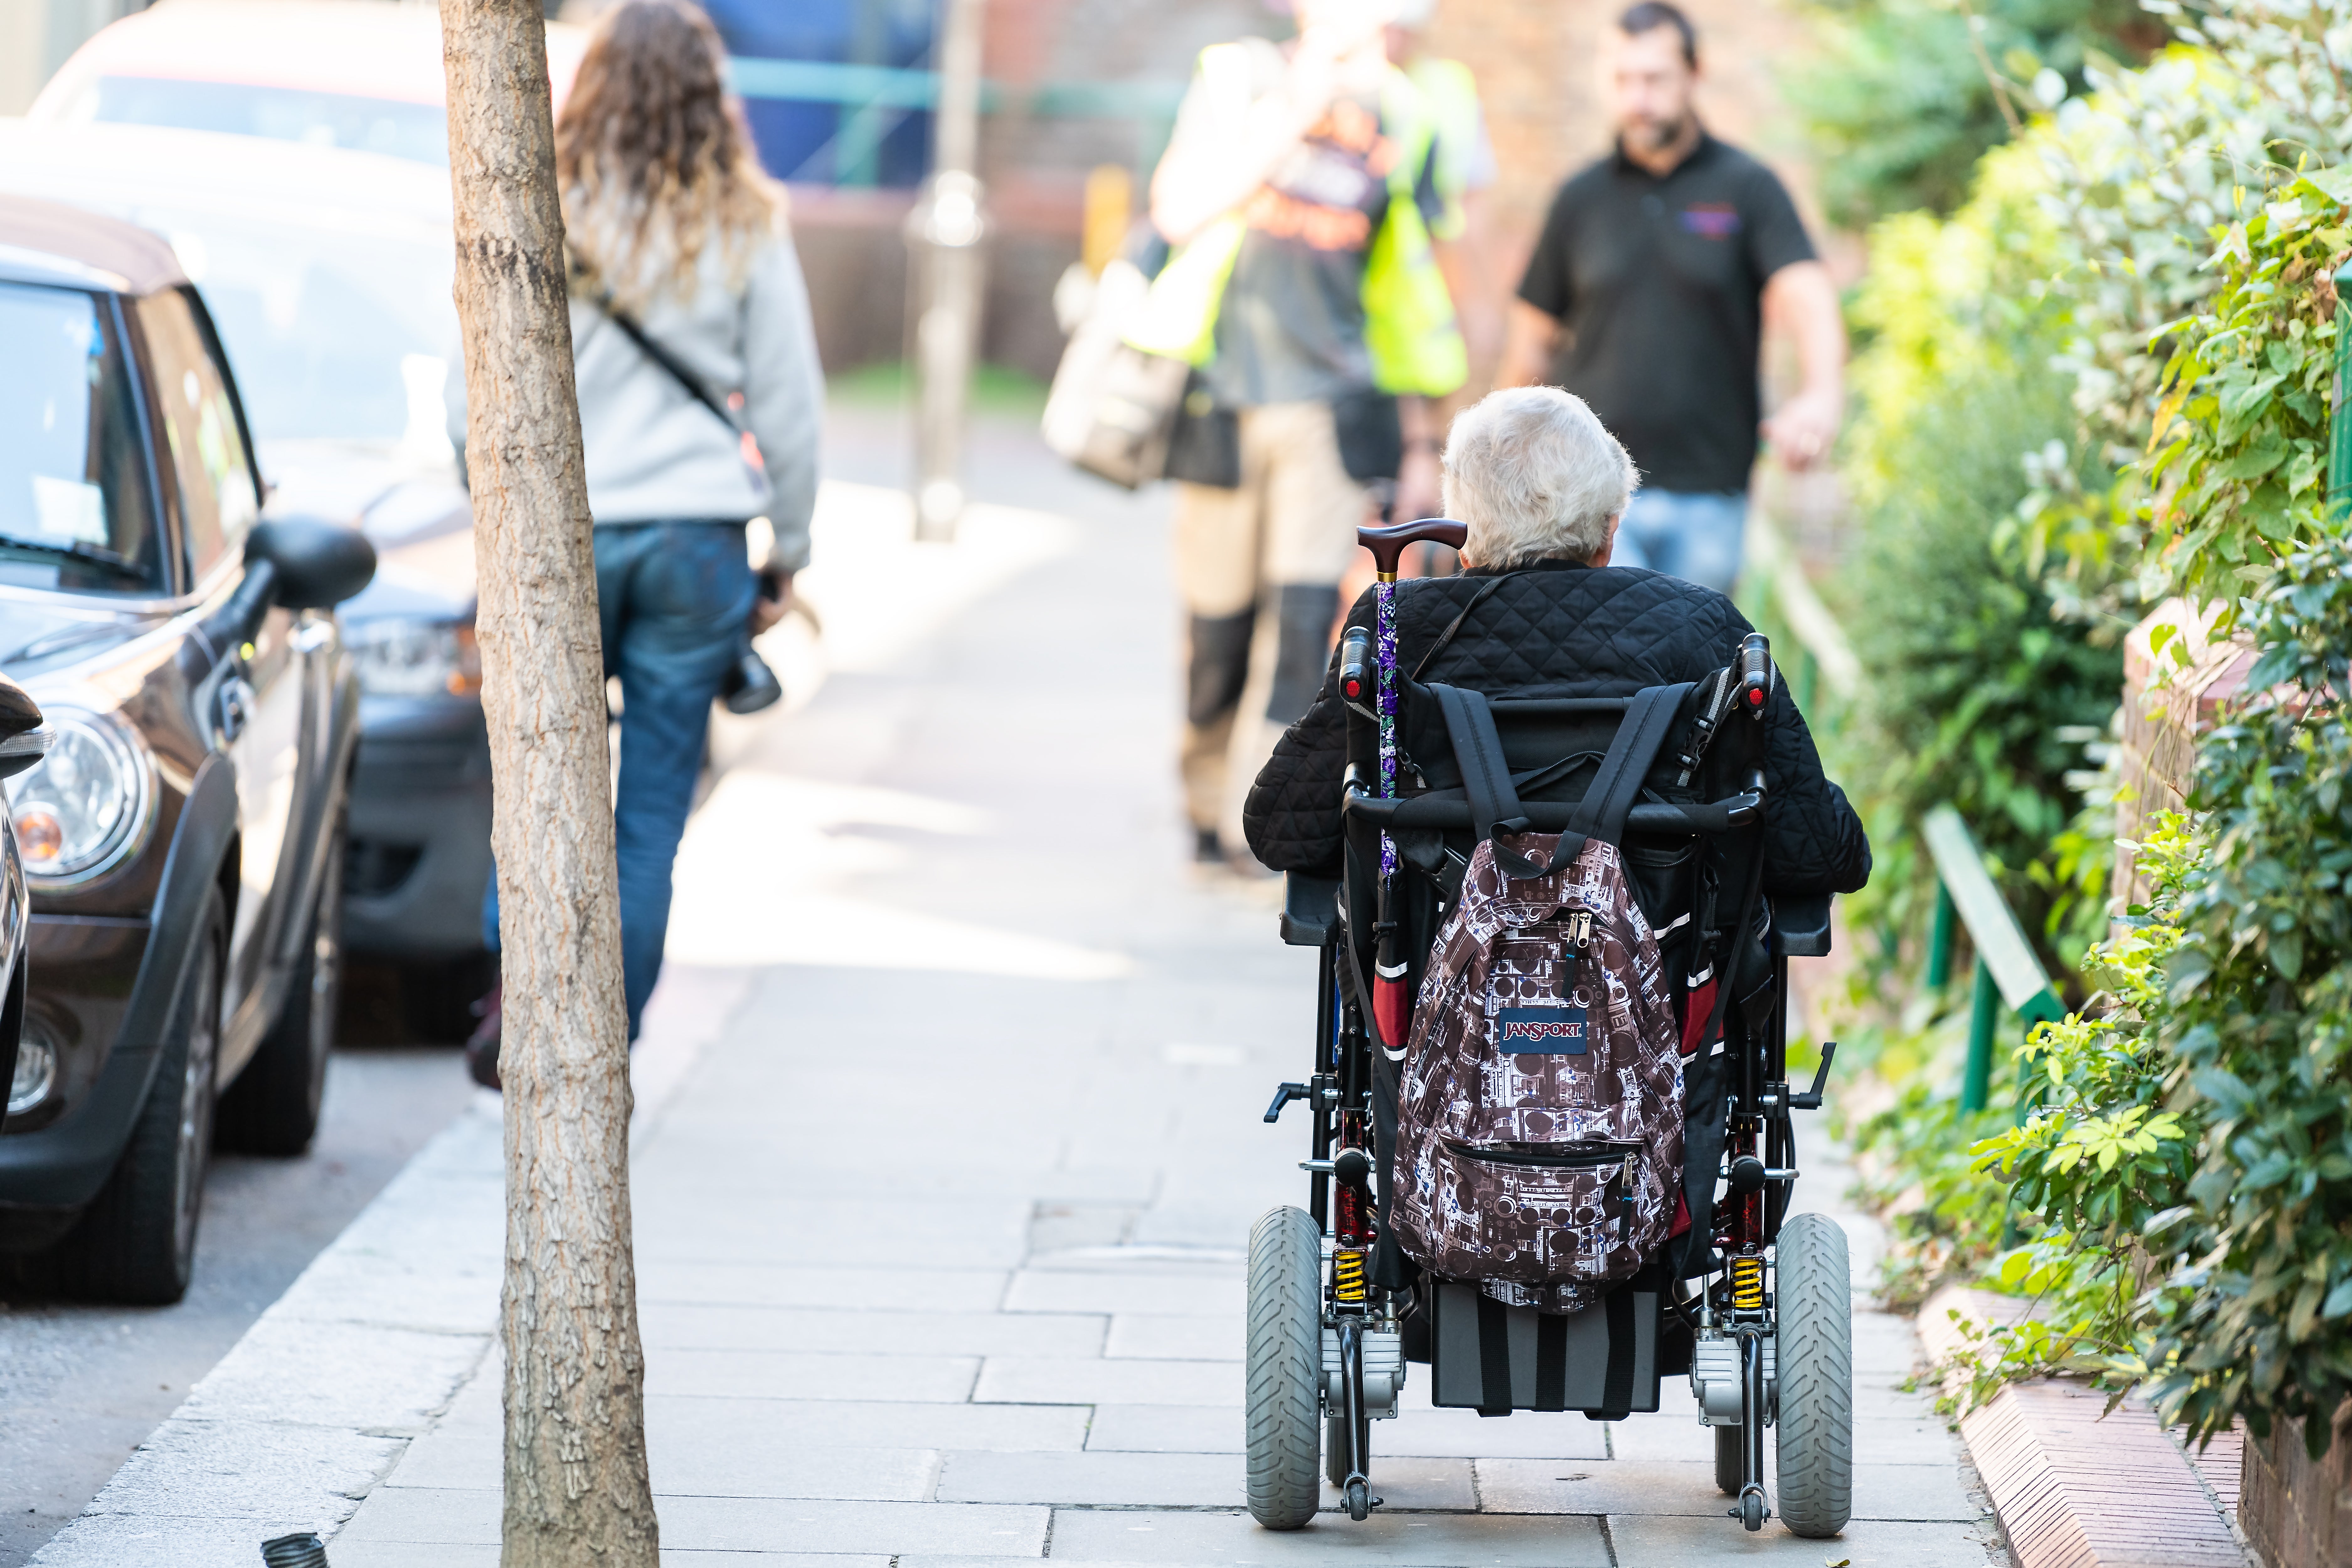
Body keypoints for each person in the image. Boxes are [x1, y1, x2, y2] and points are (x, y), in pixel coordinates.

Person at [456, 0, 823, 1081]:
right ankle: (605, 1039)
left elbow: (462, 386)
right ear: (713, 95)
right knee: (652, 808)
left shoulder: (538, 198)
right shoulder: (744, 217)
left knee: (532, 782)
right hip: (696, 545)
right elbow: (792, 409)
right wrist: (788, 553)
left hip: (561, 539)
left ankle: (512, 992)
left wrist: (487, 507)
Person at [1241, 384, 1869, 899]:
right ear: (1610, 530)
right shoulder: (1702, 627)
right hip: (1654, 1019)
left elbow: (1283, 832)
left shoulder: (1398, 626)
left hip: (1435, 1013)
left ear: (1466, 529)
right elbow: (1822, 852)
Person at [1131, 0, 1469, 870]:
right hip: (1223, 399)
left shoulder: (1405, 117)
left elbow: (1406, 286)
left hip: (1330, 409)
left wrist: (1418, 440)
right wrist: (1291, 114)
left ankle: (1261, 824)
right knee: (1218, 633)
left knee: (1304, 625)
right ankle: (1201, 802)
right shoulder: (1237, 79)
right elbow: (1177, 210)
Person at [1497, 1, 1845, 595]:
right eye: (1623, 80)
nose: (1639, 98)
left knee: (1691, 675)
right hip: (1589, 494)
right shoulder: (1579, 199)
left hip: (1710, 490)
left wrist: (1822, 395)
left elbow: (1808, 294)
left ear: (1695, 74)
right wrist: (1501, 462)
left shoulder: (1747, 187)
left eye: (1655, 78)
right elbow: (1530, 344)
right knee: (1606, 673)